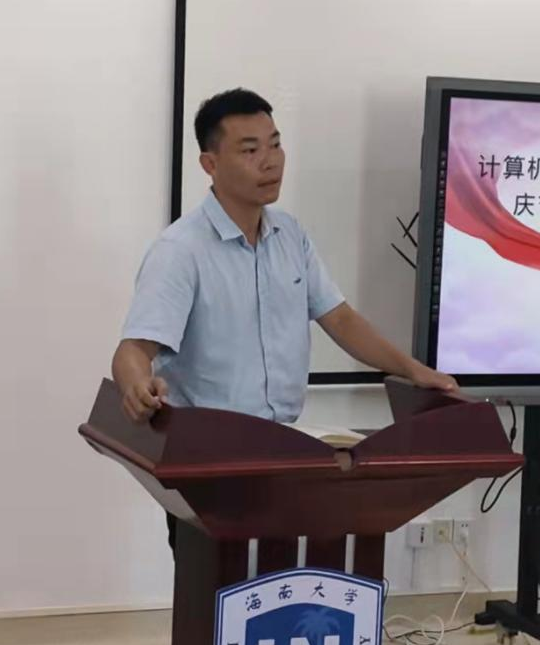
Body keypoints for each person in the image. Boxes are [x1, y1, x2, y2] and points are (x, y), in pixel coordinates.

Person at [112, 89, 457, 544]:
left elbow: (340, 319)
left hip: (288, 453)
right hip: (208, 463)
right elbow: (134, 349)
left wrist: (414, 370)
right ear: (210, 164)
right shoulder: (181, 251)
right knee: (222, 585)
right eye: (250, 150)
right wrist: (137, 386)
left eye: (275, 144)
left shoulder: (290, 236)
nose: (270, 161)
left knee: (296, 581)